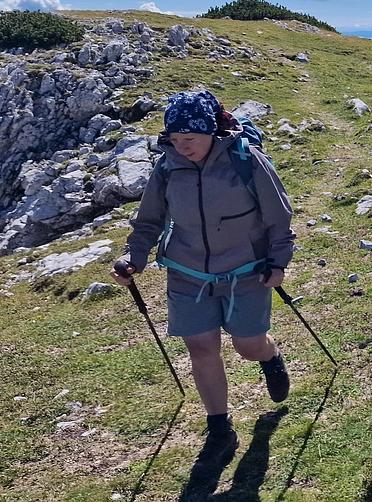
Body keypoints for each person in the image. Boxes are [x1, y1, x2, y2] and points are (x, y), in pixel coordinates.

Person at [110, 90, 295, 471]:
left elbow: (279, 216)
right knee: (200, 348)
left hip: (245, 271)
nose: (182, 147)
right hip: (187, 273)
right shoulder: (167, 166)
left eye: (189, 138)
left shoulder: (247, 160)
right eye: (175, 139)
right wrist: (134, 258)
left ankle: (269, 357)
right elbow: (148, 221)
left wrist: (278, 262)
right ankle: (219, 429)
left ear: (211, 131)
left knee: (248, 346)